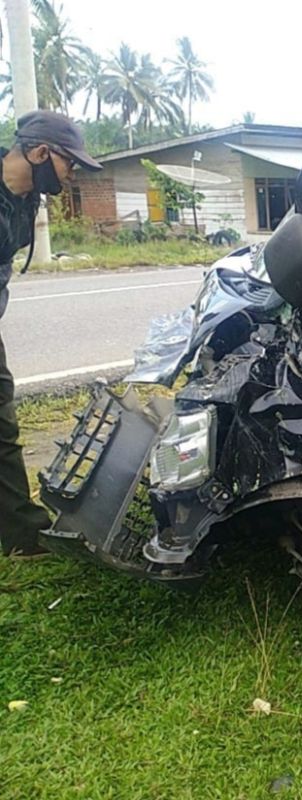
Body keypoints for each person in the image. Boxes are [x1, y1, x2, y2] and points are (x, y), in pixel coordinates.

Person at [0, 110, 102, 556]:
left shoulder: (24, 199)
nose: (71, 172)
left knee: (2, 427)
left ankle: (23, 535)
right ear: (41, 152)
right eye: (69, 162)